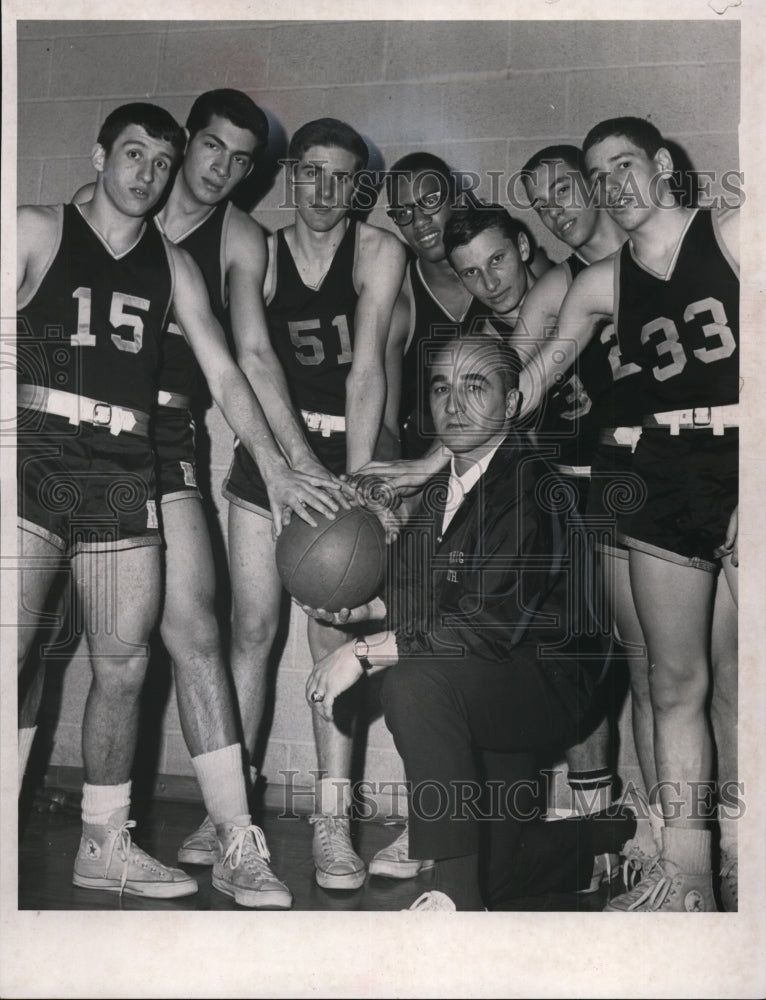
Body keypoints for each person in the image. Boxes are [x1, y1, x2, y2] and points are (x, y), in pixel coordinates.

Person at [16, 102, 329, 905]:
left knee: (151, 650)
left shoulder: (196, 256)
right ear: (102, 154)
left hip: (138, 452)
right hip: (37, 447)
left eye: (161, 162)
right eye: (135, 156)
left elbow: (237, 367)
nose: (150, 174)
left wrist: (285, 466)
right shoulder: (37, 228)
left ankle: (164, 839)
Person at [302, 333, 617, 910]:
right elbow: (422, 601)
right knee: (497, 873)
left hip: (545, 686)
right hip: (486, 680)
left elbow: (485, 622)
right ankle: (606, 838)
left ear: (513, 400)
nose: (455, 402)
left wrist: (363, 652)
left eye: (476, 386)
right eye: (443, 386)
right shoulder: (441, 493)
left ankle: (452, 906)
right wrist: (360, 611)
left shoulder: (531, 485)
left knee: (413, 680)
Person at [520, 117, 739, 911]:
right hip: (664, 476)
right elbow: (530, 379)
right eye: (598, 172)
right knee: (674, 680)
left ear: (664, 164)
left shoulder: (736, 234)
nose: (613, 184)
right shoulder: (600, 282)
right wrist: (433, 455)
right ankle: (688, 882)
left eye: (625, 165)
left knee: (739, 685)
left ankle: (742, 852)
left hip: (744, 459)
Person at [212, 118, 406, 891]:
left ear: (359, 184)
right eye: (312, 173)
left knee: (333, 641)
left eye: (342, 178)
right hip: (273, 460)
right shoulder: (256, 247)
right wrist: (291, 467)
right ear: (292, 172)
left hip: (343, 455)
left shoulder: (378, 250)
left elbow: (367, 374)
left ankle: (333, 822)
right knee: (252, 629)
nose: (326, 192)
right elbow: (252, 358)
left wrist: (356, 488)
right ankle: (232, 812)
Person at [517, 146, 655, 866]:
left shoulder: (655, 255)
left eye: (564, 189)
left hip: (681, 478)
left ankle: (694, 839)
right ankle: (621, 836)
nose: (557, 209)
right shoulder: (560, 290)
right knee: (594, 661)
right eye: (541, 203)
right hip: (595, 493)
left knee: (681, 674)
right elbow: (507, 386)